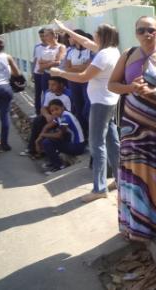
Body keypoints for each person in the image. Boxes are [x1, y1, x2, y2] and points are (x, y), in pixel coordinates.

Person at [108, 16, 156, 241]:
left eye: (151, 30)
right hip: (132, 127)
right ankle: (137, 226)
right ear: (136, 33)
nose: (146, 34)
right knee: (135, 172)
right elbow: (111, 85)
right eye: (141, 30)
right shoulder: (127, 54)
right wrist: (130, 87)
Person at [49, 20, 121, 203]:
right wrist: (66, 30)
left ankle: (100, 188)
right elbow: (86, 42)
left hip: (100, 104)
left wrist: (60, 72)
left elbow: (83, 77)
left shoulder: (103, 55)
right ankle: (121, 180)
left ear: (102, 37)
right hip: (109, 101)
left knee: (97, 145)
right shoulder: (111, 51)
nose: (93, 36)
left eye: (96, 34)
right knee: (112, 142)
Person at [20, 76, 71, 158]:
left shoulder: (68, 95)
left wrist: (55, 118)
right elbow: (43, 108)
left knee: (51, 128)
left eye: (53, 85)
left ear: (61, 85)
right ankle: (32, 149)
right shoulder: (48, 93)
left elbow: (69, 113)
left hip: (63, 119)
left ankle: (46, 153)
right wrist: (47, 116)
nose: (50, 87)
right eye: (49, 85)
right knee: (38, 121)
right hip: (51, 117)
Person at [38, 99, 85, 175]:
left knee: (47, 142)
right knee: (49, 136)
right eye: (52, 111)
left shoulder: (65, 117)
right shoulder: (60, 116)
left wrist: (43, 135)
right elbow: (47, 126)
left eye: (57, 109)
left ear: (62, 107)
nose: (54, 112)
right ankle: (53, 161)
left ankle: (59, 166)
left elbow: (59, 135)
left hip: (77, 147)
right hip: (72, 143)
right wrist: (39, 138)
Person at [0, 37, 22, 152]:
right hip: (5, 88)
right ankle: (4, 144)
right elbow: (17, 73)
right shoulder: (7, 57)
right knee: (4, 116)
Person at [64, 29, 93, 134]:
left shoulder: (90, 50)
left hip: (86, 82)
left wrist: (74, 67)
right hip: (73, 82)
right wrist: (82, 67)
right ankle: (83, 132)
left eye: (71, 36)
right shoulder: (70, 51)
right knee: (78, 106)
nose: (68, 39)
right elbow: (67, 68)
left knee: (87, 107)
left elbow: (89, 68)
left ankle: (91, 130)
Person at [36, 28, 66, 95]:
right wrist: (51, 62)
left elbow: (58, 62)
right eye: (44, 35)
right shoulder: (46, 48)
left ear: (54, 35)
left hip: (57, 76)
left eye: (47, 35)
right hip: (46, 75)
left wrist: (44, 64)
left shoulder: (61, 47)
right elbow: (40, 63)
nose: (44, 37)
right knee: (46, 94)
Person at [32, 28, 47, 115]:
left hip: (47, 73)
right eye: (40, 36)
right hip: (37, 73)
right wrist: (32, 73)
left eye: (44, 36)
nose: (42, 38)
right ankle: (37, 112)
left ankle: (46, 112)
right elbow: (35, 60)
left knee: (46, 93)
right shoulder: (37, 46)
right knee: (37, 93)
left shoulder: (52, 47)